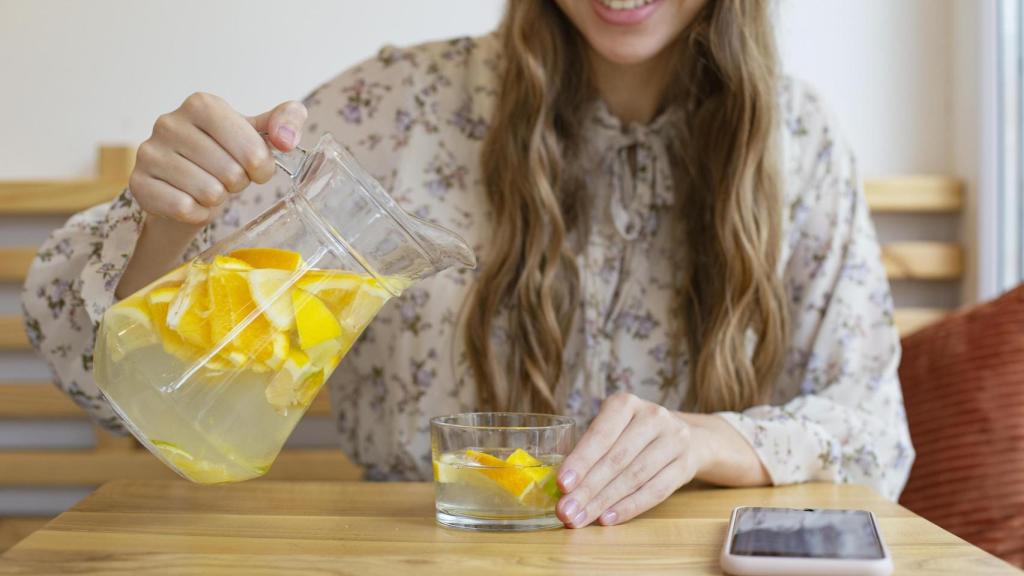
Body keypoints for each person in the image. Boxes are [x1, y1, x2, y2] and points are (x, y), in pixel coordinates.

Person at [22, 0, 914, 528]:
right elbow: (100, 375)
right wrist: (170, 220)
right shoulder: (397, 106)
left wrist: (707, 439)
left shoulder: (797, 142)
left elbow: (874, 432)